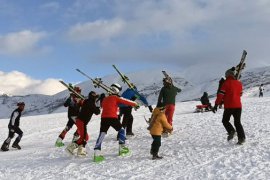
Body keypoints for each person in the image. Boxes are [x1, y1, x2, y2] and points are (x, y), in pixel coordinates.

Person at [93, 83, 138, 162]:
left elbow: (103, 105)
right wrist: (135, 104)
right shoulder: (116, 97)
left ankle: (96, 154)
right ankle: (122, 148)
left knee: (102, 134)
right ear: (117, 90)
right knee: (121, 130)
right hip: (112, 117)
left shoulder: (106, 99)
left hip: (104, 118)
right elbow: (125, 101)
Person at [213, 69, 246, 145]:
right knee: (237, 122)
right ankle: (242, 138)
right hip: (238, 106)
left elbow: (220, 95)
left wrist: (216, 105)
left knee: (225, 120)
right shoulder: (239, 83)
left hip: (229, 106)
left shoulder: (225, 83)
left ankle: (231, 131)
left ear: (227, 75)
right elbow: (240, 94)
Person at [66, 91, 101, 156]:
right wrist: (98, 105)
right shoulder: (90, 103)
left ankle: (80, 149)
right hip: (82, 121)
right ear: (93, 97)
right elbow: (97, 112)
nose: (96, 98)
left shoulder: (87, 101)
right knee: (84, 137)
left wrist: (96, 102)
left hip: (81, 121)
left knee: (85, 137)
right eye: (95, 97)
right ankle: (71, 148)